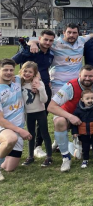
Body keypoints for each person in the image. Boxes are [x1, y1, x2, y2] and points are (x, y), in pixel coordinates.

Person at [12, 29, 55, 158]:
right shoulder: (29, 51)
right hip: (26, 89)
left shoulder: (50, 55)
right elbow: (13, 62)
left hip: (43, 88)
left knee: (43, 117)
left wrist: (43, 82)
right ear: (39, 39)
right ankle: (15, 146)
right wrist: (31, 43)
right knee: (25, 117)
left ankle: (38, 146)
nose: (47, 42)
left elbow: (44, 69)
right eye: (45, 39)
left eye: (50, 40)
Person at [47, 65, 93, 172]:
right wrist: (70, 116)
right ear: (79, 75)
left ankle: (62, 141)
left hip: (86, 118)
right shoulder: (70, 86)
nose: (88, 79)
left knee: (80, 155)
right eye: (85, 76)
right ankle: (66, 158)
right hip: (68, 116)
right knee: (59, 122)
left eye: (90, 76)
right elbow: (51, 106)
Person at [0, 59, 32, 181]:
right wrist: (20, 130)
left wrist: (35, 80)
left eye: (11, 70)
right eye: (5, 70)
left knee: (9, 168)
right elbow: (1, 120)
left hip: (17, 129)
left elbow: (35, 71)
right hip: (4, 127)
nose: (9, 72)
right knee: (10, 139)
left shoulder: (17, 80)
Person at [19, 62, 52, 167]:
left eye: (30, 72)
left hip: (40, 112)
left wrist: (40, 89)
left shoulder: (38, 83)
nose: (27, 73)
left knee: (44, 133)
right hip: (29, 114)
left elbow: (44, 100)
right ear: (21, 71)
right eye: (25, 71)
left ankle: (49, 157)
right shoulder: (21, 83)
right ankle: (30, 156)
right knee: (30, 135)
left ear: (34, 74)